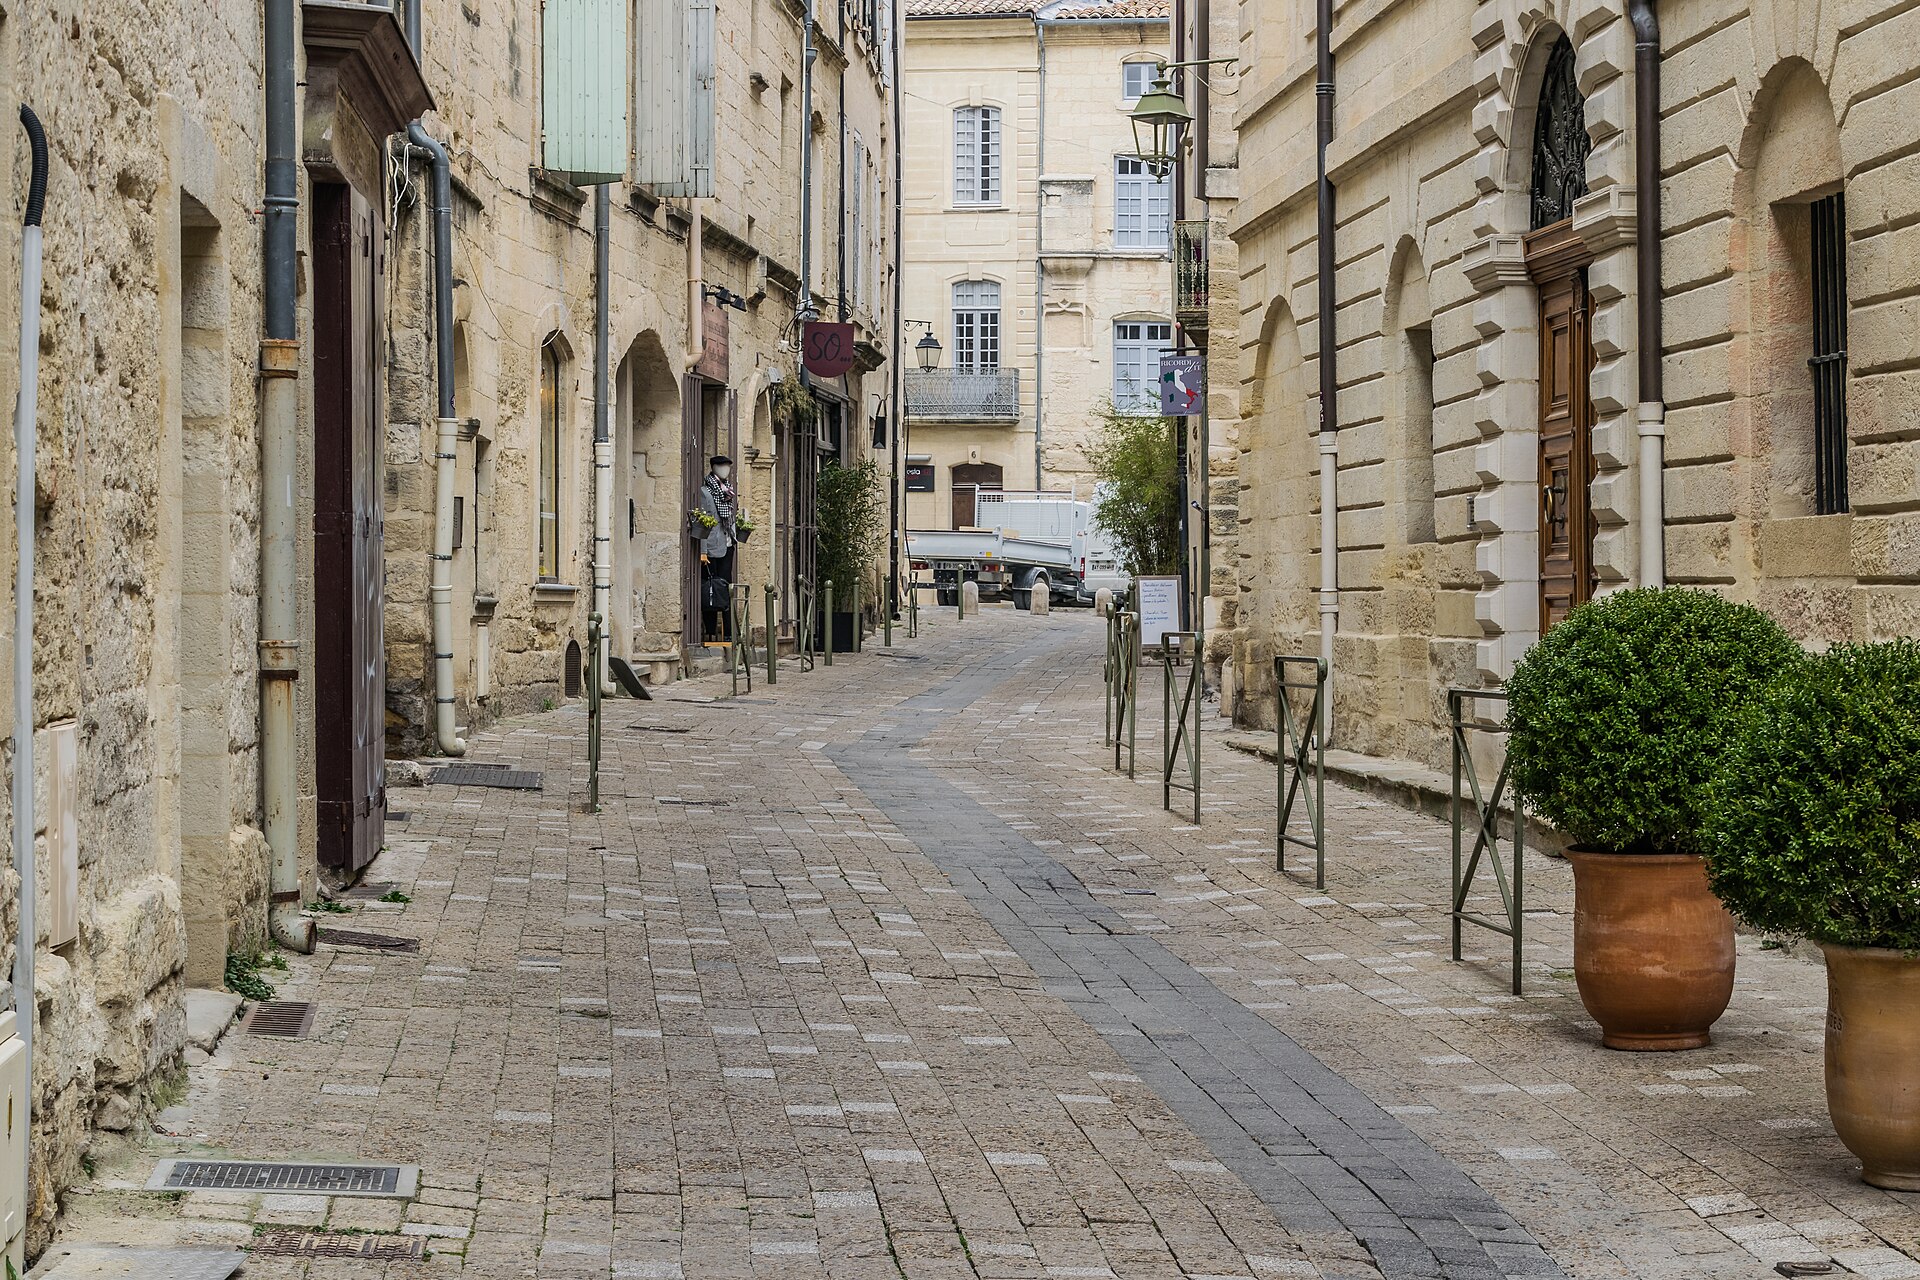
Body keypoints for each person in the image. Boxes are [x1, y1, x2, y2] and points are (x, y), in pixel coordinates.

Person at [695, 455, 739, 642]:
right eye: (721, 466)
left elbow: (730, 517)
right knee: (710, 588)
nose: (725, 469)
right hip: (712, 547)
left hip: (728, 544)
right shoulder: (705, 492)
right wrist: (703, 550)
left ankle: (728, 632)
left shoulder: (728, 490)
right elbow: (702, 521)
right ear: (713, 467)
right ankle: (711, 631)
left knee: (726, 588)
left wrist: (736, 533)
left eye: (727, 466)